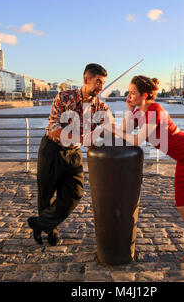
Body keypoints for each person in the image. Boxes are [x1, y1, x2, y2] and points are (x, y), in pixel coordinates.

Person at [107, 75, 184, 262]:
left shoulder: (155, 110)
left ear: (145, 94)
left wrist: (111, 129)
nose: (129, 95)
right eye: (129, 92)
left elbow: (136, 139)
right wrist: (128, 109)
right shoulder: (138, 113)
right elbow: (126, 131)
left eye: (133, 93)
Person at [28, 63, 114, 246]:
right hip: (52, 149)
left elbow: (111, 126)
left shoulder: (101, 106)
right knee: (46, 194)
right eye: (98, 82)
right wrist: (83, 138)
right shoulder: (64, 97)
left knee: (75, 193)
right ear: (86, 80)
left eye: (103, 83)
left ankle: (39, 223)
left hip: (73, 153)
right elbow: (54, 127)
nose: (101, 87)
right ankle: (51, 231)